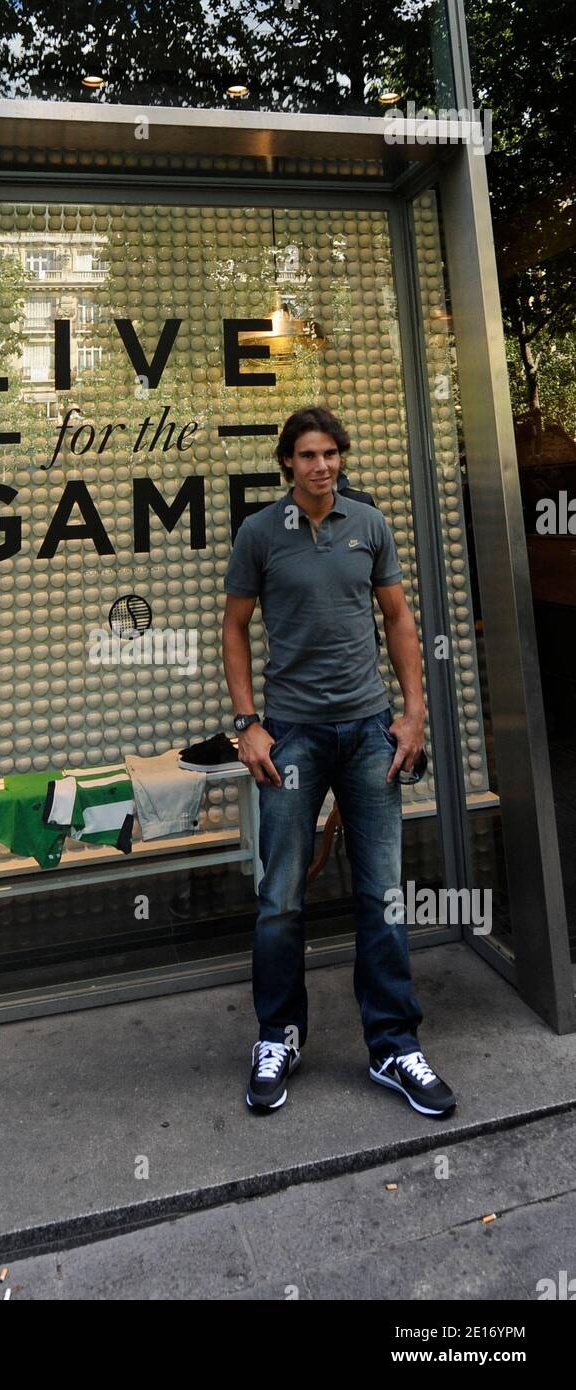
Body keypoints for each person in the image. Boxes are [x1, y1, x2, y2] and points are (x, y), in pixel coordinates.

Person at [222, 405, 456, 1118]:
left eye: (331, 454)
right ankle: (278, 1038)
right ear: (287, 462)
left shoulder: (369, 525)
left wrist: (411, 715)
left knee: (382, 896)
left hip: (365, 733)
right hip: (291, 735)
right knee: (280, 899)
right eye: (308, 455)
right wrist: (247, 726)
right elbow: (233, 627)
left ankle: (392, 1046)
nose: (322, 465)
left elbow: (399, 620)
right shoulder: (261, 533)